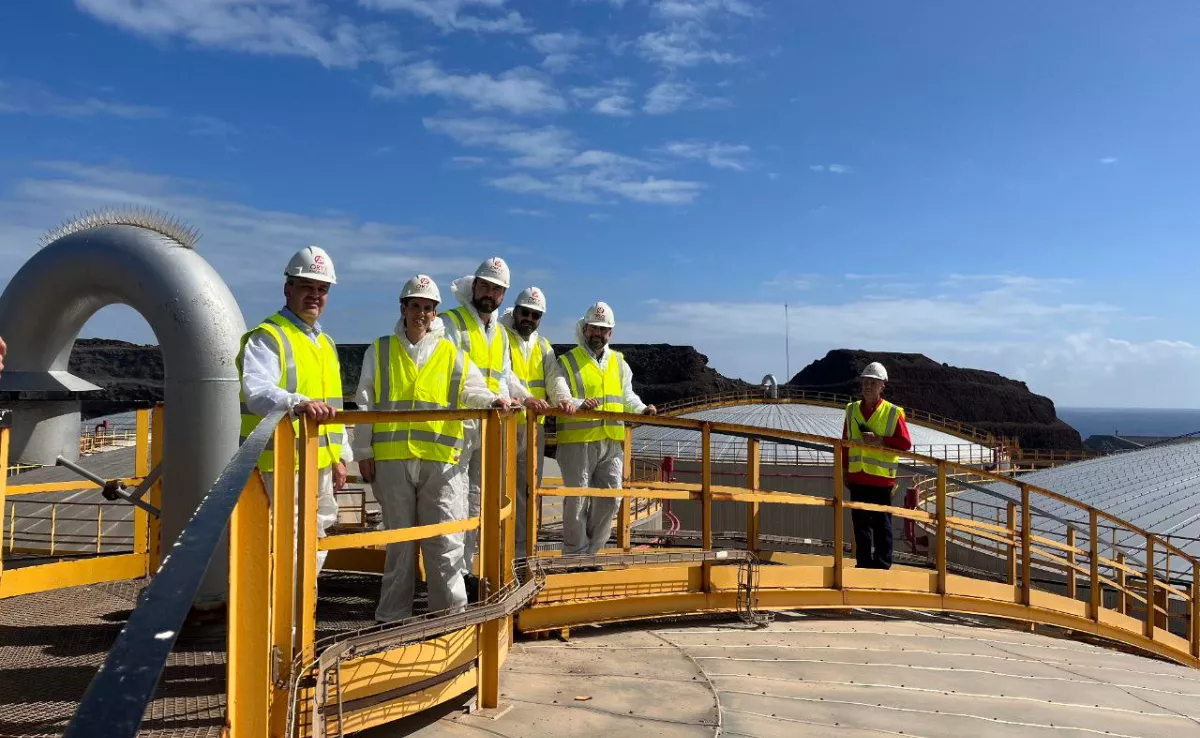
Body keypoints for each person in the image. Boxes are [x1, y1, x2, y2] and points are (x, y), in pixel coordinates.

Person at [353, 275, 510, 623]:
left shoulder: (450, 353)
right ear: (403, 308)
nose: (421, 314)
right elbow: (365, 401)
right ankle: (391, 618)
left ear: (436, 313)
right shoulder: (379, 350)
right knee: (399, 545)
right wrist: (363, 452)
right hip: (393, 461)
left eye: (428, 308)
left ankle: (449, 618)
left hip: (441, 463)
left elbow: (474, 390)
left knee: (445, 543)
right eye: (415, 306)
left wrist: (495, 399)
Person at [236, 245, 351, 574]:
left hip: (320, 463)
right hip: (283, 463)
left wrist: (341, 456)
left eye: (322, 289)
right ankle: (280, 621)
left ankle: (301, 615)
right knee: (285, 546)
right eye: (307, 287)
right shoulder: (268, 336)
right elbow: (257, 391)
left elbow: (335, 403)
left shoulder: (325, 343)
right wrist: (297, 403)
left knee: (313, 543)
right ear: (288, 289)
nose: (316, 295)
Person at [441, 257, 532, 583]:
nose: (490, 293)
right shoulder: (450, 323)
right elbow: (455, 374)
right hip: (459, 425)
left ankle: (465, 572)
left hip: (491, 427)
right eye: (486, 286)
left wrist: (526, 396)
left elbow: (505, 378)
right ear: (474, 285)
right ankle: (450, 578)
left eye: (497, 289)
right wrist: (491, 399)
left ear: (503, 295)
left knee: (478, 501)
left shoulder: (500, 334)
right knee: (454, 502)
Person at [556, 301, 655, 557]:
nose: (598, 334)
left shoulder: (619, 362)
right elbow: (560, 394)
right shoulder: (567, 361)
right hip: (578, 441)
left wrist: (642, 409)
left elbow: (627, 395)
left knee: (611, 499)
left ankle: (590, 554)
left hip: (611, 440)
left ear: (610, 333)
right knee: (577, 501)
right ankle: (574, 556)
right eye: (593, 328)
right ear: (585, 328)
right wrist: (579, 404)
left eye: (603, 329)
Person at [499, 287, 576, 557]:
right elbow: (504, 375)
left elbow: (554, 377)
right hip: (504, 426)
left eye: (535, 315)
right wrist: (526, 397)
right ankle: (498, 557)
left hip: (533, 429)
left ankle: (521, 557)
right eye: (525, 313)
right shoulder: (500, 336)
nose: (529, 319)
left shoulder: (543, 346)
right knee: (500, 493)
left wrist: (564, 399)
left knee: (528, 493)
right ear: (516, 311)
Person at [840, 361, 912, 570]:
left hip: (881, 479)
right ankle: (863, 563)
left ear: (883, 386)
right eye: (865, 382)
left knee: (882, 525)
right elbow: (845, 442)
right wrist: (845, 470)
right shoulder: (851, 410)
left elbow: (905, 443)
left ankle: (881, 564)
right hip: (857, 477)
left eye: (873, 382)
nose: (868, 386)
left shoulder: (892, 412)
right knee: (860, 525)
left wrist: (880, 440)